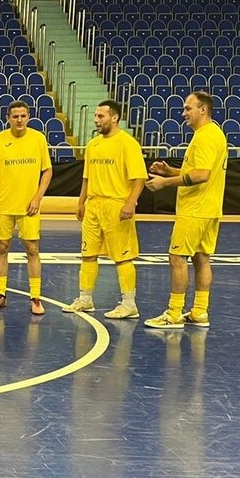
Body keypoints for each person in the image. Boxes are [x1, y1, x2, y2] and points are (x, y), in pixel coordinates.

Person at [144, 90, 228, 329]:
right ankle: (200, 311)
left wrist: (165, 183)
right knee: (201, 258)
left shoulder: (205, 136)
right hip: (209, 208)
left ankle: (174, 313)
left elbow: (201, 175)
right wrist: (169, 171)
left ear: (203, 109)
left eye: (188, 108)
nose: (183, 113)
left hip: (195, 209)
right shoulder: (213, 133)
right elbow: (198, 171)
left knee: (176, 257)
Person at [65, 100, 146, 319]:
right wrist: (81, 202)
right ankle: (85, 299)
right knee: (88, 254)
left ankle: (129, 303)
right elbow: (86, 177)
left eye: (100, 116)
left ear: (114, 117)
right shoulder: (93, 145)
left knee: (122, 256)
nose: (96, 120)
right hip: (93, 205)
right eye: (95, 116)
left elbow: (139, 178)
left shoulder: (128, 143)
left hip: (116, 205)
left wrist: (130, 203)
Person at [0, 100, 52, 315]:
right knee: (2, 248)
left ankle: (35, 297)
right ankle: (0, 294)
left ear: (28, 117)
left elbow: (47, 171)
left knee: (32, 249)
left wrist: (37, 198)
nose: (19, 120)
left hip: (29, 207)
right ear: (8, 118)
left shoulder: (38, 139)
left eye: (23, 116)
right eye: (15, 116)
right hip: (3, 206)